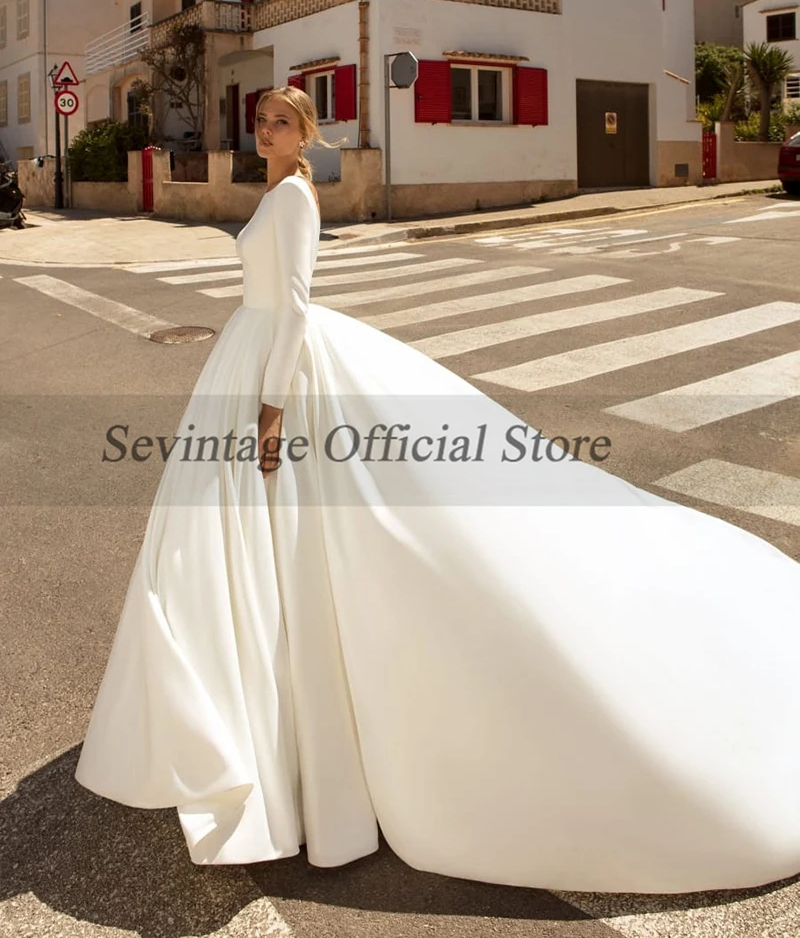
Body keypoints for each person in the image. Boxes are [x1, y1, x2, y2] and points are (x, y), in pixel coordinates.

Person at [75, 86, 800, 894]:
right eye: (263, 119)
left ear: (306, 134)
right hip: (249, 357)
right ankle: (265, 722)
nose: (268, 128)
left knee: (286, 541)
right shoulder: (276, 192)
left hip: (274, 371)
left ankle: (280, 732)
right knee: (242, 548)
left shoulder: (293, 200)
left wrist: (272, 412)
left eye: (283, 120)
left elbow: (294, 310)